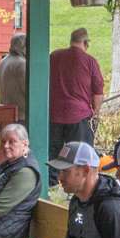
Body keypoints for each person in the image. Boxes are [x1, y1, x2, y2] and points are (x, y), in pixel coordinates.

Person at [47, 28, 105, 184]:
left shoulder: (54, 56)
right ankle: (78, 184)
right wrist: (96, 113)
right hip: (79, 116)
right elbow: (97, 93)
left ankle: (51, 184)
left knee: (53, 153)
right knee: (81, 154)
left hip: (54, 114)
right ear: (86, 43)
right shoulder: (90, 61)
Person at [0, 34, 28, 118]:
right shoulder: (22, 64)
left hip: (6, 112)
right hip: (20, 115)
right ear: (24, 47)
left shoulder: (4, 61)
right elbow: (28, 91)